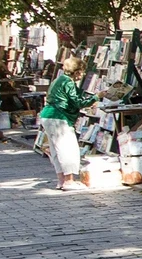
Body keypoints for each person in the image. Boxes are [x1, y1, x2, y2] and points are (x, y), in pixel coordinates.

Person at [40, 56, 98, 189]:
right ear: (77, 72)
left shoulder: (59, 80)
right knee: (68, 148)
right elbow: (77, 102)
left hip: (48, 116)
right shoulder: (68, 82)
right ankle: (69, 181)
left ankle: (61, 180)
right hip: (59, 118)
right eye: (82, 72)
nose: (82, 75)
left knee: (56, 150)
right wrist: (96, 97)